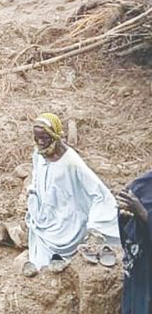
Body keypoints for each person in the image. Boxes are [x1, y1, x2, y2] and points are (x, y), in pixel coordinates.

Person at [24, 113, 119, 274]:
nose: (40, 142)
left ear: (55, 136)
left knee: (63, 246)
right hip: (45, 215)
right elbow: (37, 175)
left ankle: (62, 258)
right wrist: (33, 192)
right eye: (37, 138)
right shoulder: (39, 154)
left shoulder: (71, 161)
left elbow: (98, 192)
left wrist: (95, 225)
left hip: (68, 220)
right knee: (40, 261)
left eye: (45, 138)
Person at [117, 171, 152, 313]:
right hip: (142, 268)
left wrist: (142, 212)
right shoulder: (142, 185)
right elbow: (125, 225)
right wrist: (126, 211)